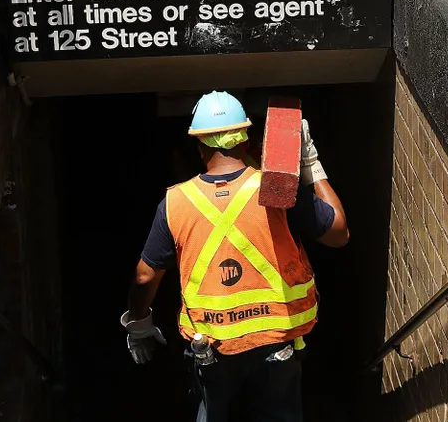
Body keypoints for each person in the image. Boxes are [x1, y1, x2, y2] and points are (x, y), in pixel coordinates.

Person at [120, 91, 349, 422]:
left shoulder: (175, 203)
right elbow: (339, 233)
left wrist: (139, 326)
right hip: (277, 341)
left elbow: (144, 276)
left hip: (210, 347)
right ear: (245, 140)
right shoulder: (278, 190)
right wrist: (310, 163)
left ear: (199, 146)